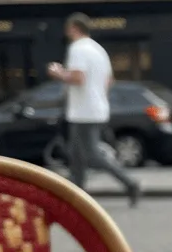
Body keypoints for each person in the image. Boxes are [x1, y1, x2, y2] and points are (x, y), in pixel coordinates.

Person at [48, 13, 140, 206]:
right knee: (76, 153)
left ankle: (130, 183)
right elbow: (109, 80)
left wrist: (58, 73)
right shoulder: (99, 50)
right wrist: (98, 96)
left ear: (74, 28)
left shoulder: (78, 49)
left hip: (83, 111)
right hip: (94, 108)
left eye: (68, 29)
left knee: (91, 154)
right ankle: (77, 195)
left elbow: (77, 78)